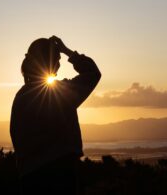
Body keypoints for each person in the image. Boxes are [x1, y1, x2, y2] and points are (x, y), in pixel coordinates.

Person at [10, 36, 101, 194]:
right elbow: (92, 73)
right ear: (49, 62)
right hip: (60, 174)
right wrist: (67, 51)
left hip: (29, 178)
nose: (59, 64)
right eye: (57, 59)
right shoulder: (58, 93)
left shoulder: (21, 97)